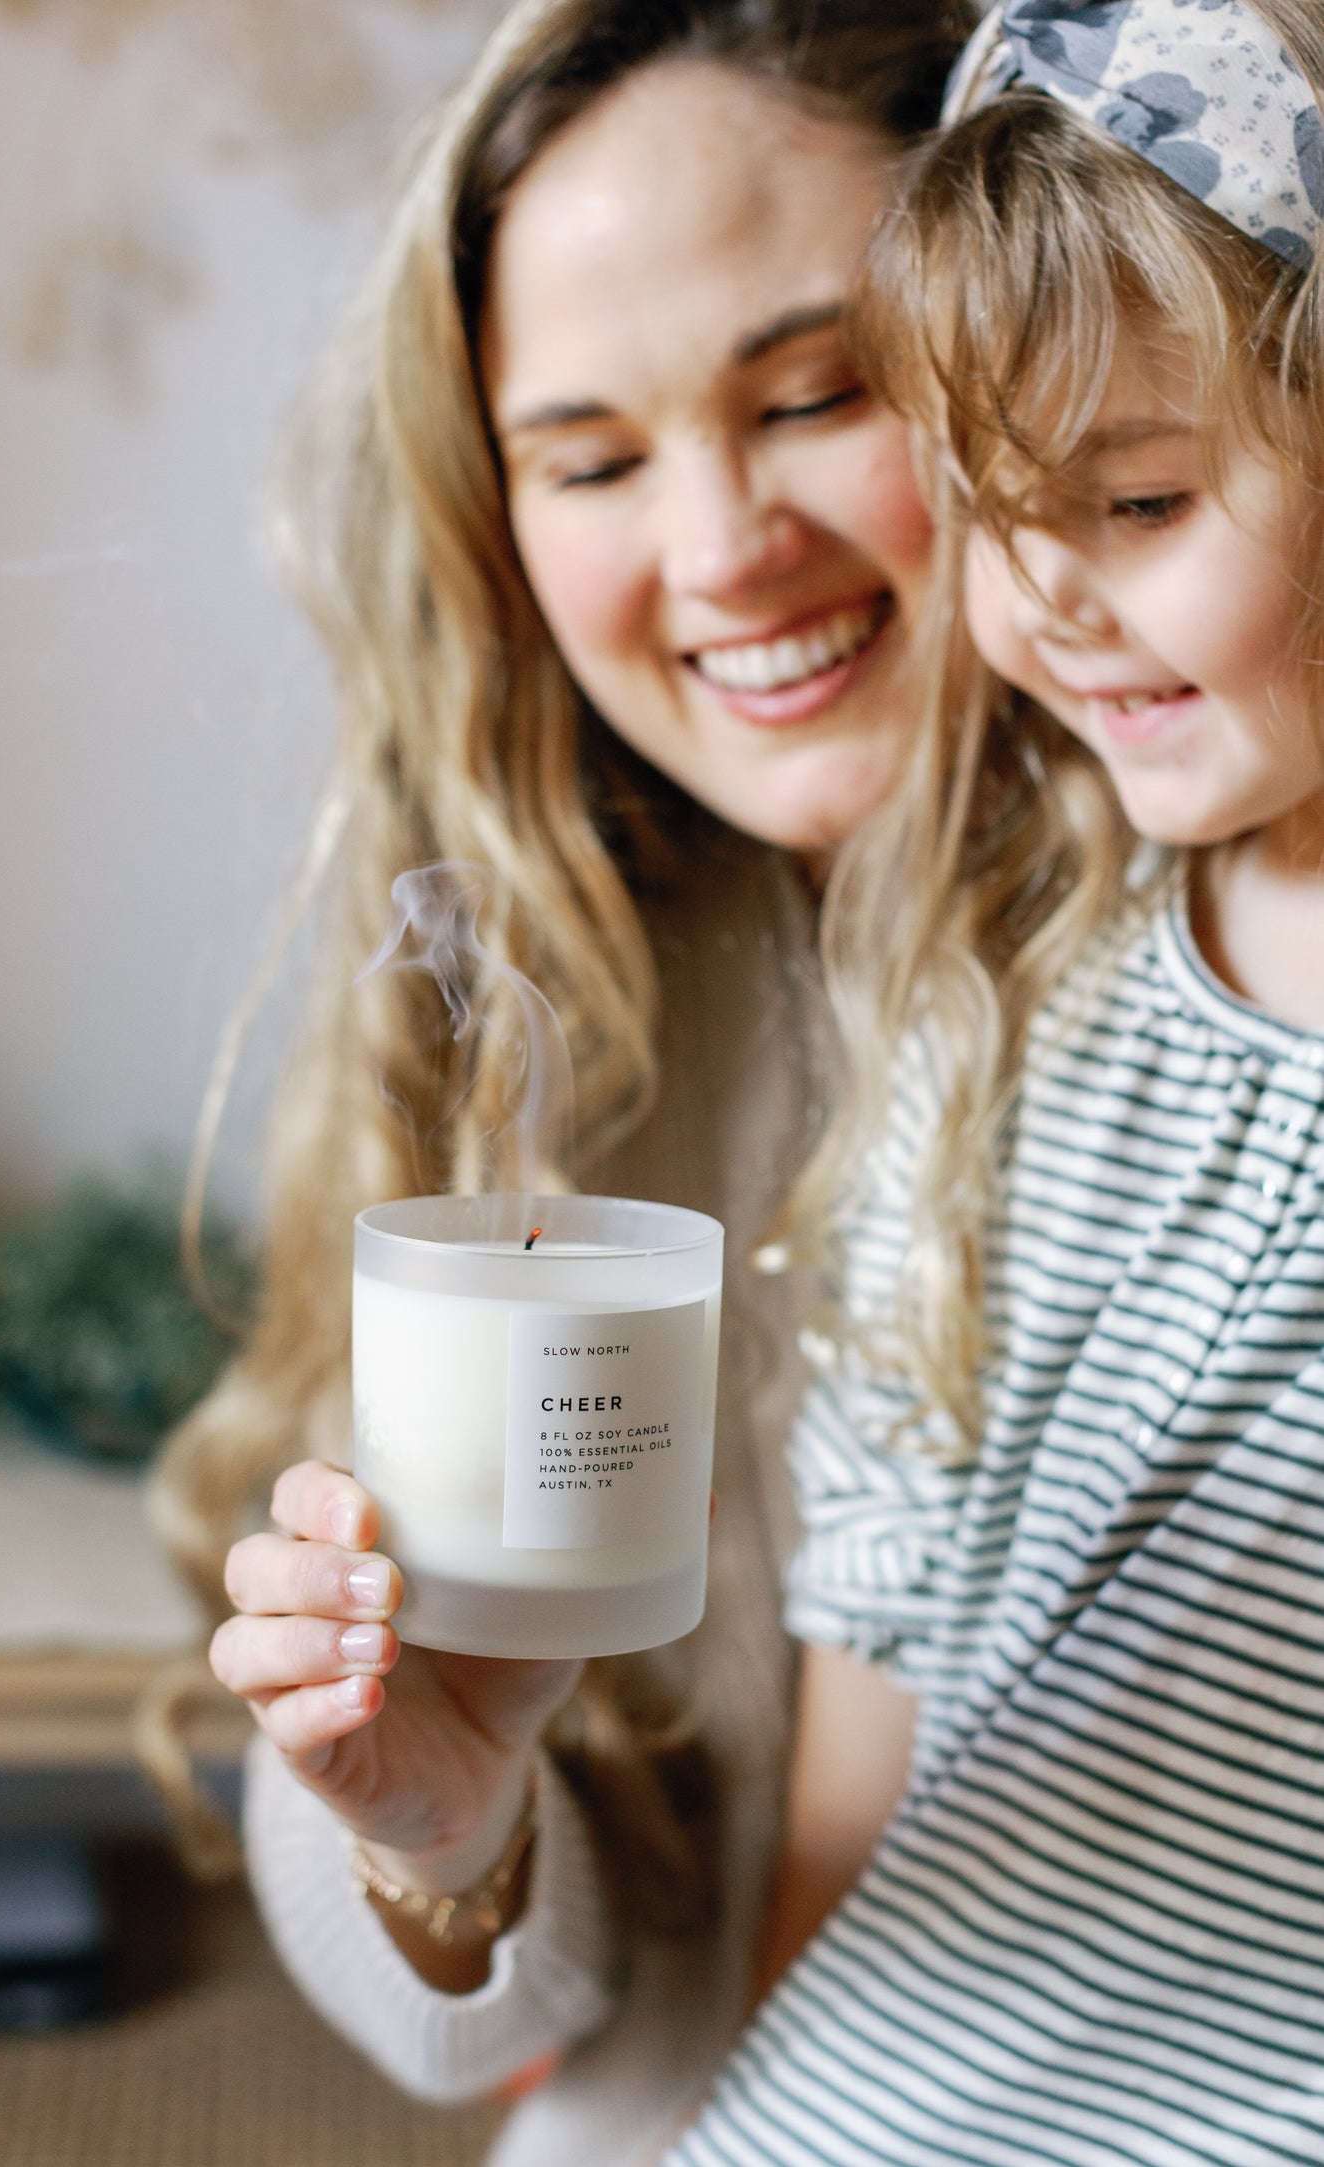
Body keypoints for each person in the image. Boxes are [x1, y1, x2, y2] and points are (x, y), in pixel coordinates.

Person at [151, 4, 971, 2165]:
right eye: (594, 461)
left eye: (816, 397)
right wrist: (446, 1833)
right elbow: (471, 2024)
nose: (719, 551)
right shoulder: (569, 997)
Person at [664, 2, 1324, 2160]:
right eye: (990, 507)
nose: (1044, 604)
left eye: (1138, 498)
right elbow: (868, 1761)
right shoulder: (1001, 1020)